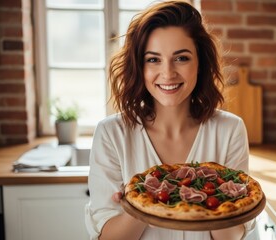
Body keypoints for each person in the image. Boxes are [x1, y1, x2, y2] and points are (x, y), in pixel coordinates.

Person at [85, 1, 256, 239]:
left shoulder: (230, 130)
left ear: (200, 63)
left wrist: (218, 193)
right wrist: (141, 202)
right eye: (153, 59)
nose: (167, 73)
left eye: (182, 58)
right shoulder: (111, 133)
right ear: (139, 66)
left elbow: (230, 237)